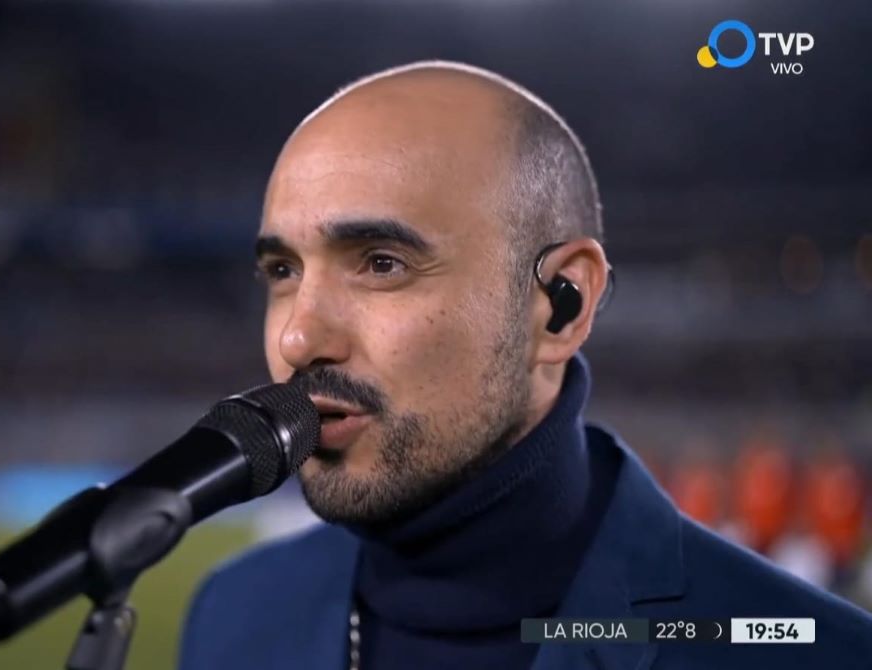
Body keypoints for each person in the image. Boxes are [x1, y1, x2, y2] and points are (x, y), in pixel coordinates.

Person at [177, 61, 872, 669]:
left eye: (381, 264)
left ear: (558, 307)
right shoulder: (230, 619)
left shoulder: (807, 653)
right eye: (282, 270)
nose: (298, 339)